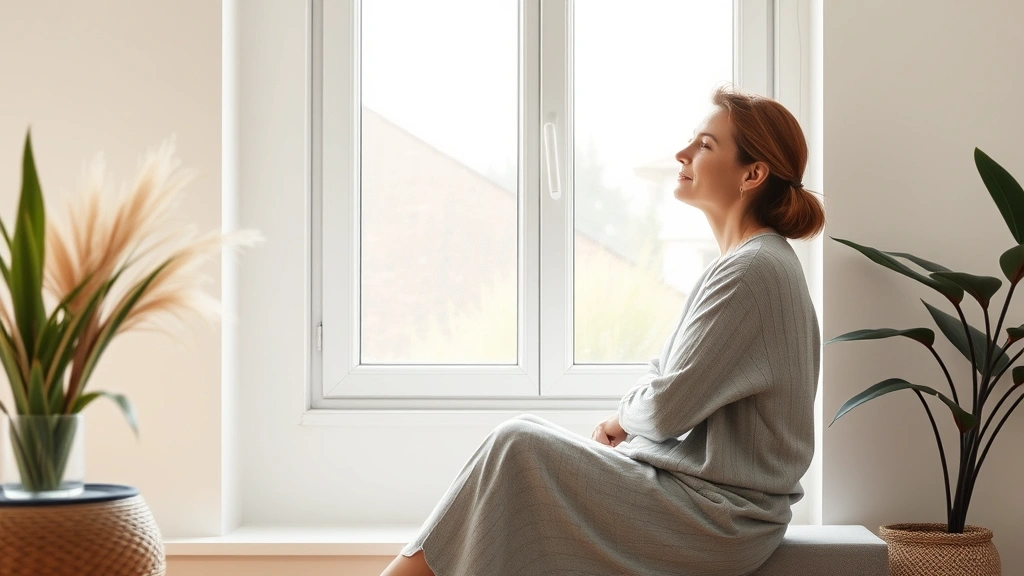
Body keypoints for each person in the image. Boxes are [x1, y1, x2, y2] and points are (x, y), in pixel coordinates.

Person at [381, 86, 825, 576]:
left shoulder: (752, 270)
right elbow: (665, 381)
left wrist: (622, 418)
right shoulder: (749, 264)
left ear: (753, 174)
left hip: (718, 518)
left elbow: (664, 406)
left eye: (704, 145)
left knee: (516, 443)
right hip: (712, 505)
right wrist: (638, 414)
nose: (683, 154)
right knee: (517, 449)